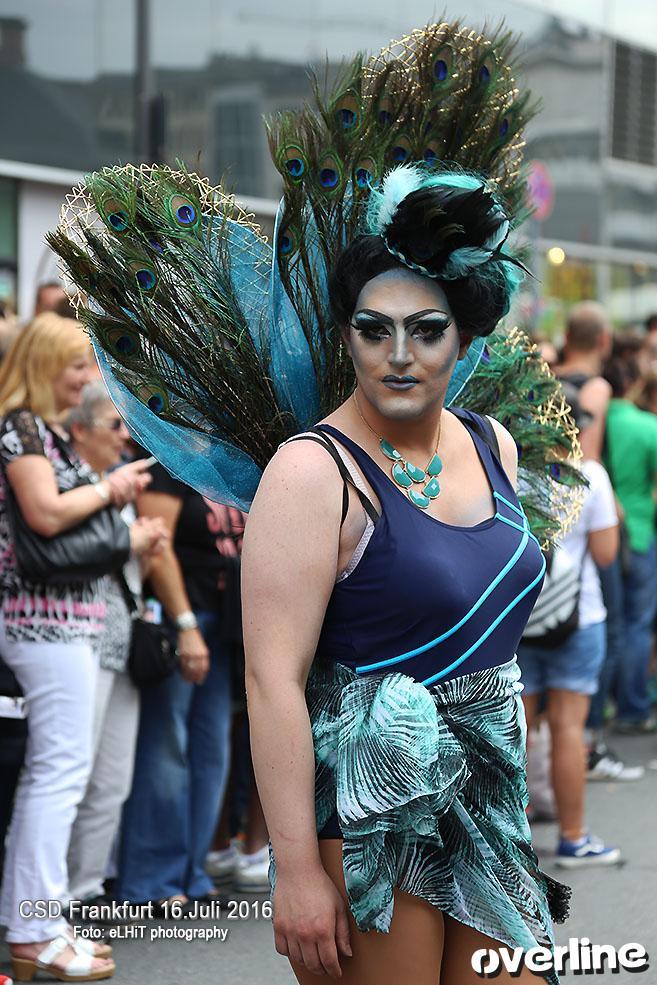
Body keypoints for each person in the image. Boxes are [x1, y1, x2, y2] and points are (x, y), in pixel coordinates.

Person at [49, 23, 588, 984]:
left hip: (490, 804)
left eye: (426, 329)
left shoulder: (495, 445)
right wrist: (295, 866)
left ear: (463, 337)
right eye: (372, 328)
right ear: (345, 334)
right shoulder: (313, 469)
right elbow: (270, 681)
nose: (398, 351)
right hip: (373, 814)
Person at [0, 314, 156, 982]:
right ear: (42, 365)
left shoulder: (43, 432)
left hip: (65, 621)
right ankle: (34, 929)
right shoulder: (21, 428)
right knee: (58, 772)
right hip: (43, 622)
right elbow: (44, 514)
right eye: (76, 367)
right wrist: (111, 489)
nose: (87, 379)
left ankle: (39, 920)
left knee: (58, 772)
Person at [115, 465, 244, 912]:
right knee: (167, 747)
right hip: (181, 620)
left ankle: (192, 872)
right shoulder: (165, 465)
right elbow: (157, 546)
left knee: (212, 752)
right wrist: (186, 626)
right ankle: (152, 880)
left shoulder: (220, 462)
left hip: (224, 624)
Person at [65, 381, 168, 905]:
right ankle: (47, 904)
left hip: (121, 644)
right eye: (114, 425)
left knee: (111, 780)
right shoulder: (69, 486)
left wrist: (144, 549)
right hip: (81, 643)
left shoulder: (113, 483)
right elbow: (72, 552)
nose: (125, 437)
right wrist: (134, 540)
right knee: (72, 776)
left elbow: (127, 570)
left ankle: (82, 893)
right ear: (78, 430)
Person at [517, 384, 623, 865]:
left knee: (512, 732)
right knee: (568, 729)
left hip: (516, 620)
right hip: (580, 619)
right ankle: (573, 838)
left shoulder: (508, 472)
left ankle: (509, 848)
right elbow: (605, 554)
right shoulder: (589, 477)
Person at [603, 356, 657, 733]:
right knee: (639, 624)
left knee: (613, 624)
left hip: (604, 533)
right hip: (638, 533)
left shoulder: (599, 423)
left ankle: (603, 705)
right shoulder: (647, 427)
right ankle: (634, 707)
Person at [553, 301, 612, 461]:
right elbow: (586, 455)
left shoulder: (547, 379)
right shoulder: (596, 389)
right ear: (604, 340)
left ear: (566, 337)